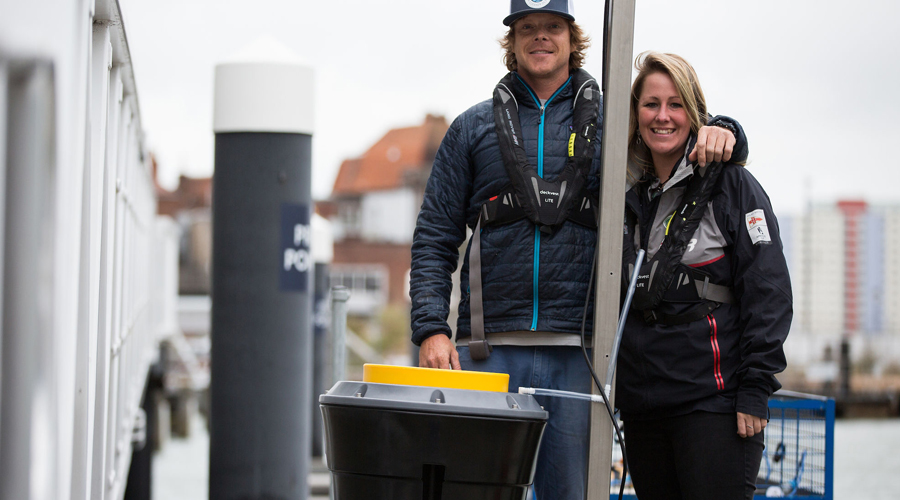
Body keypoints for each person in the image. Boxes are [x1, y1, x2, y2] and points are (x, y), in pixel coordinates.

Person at [410, 2, 745, 498]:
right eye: (527, 27)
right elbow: (435, 235)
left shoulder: (616, 123)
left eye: (552, 27)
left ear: (572, 36)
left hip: (580, 354)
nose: (539, 37)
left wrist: (727, 128)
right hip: (486, 351)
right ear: (512, 40)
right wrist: (431, 328)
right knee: (477, 491)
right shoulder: (471, 128)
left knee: (571, 494)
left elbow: (671, 126)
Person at [616, 51, 792, 500]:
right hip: (643, 406)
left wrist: (755, 390)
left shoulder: (734, 186)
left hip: (714, 403)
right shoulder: (631, 195)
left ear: (694, 113)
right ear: (635, 114)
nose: (662, 116)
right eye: (651, 104)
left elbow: (768, 292)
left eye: (675, 104)